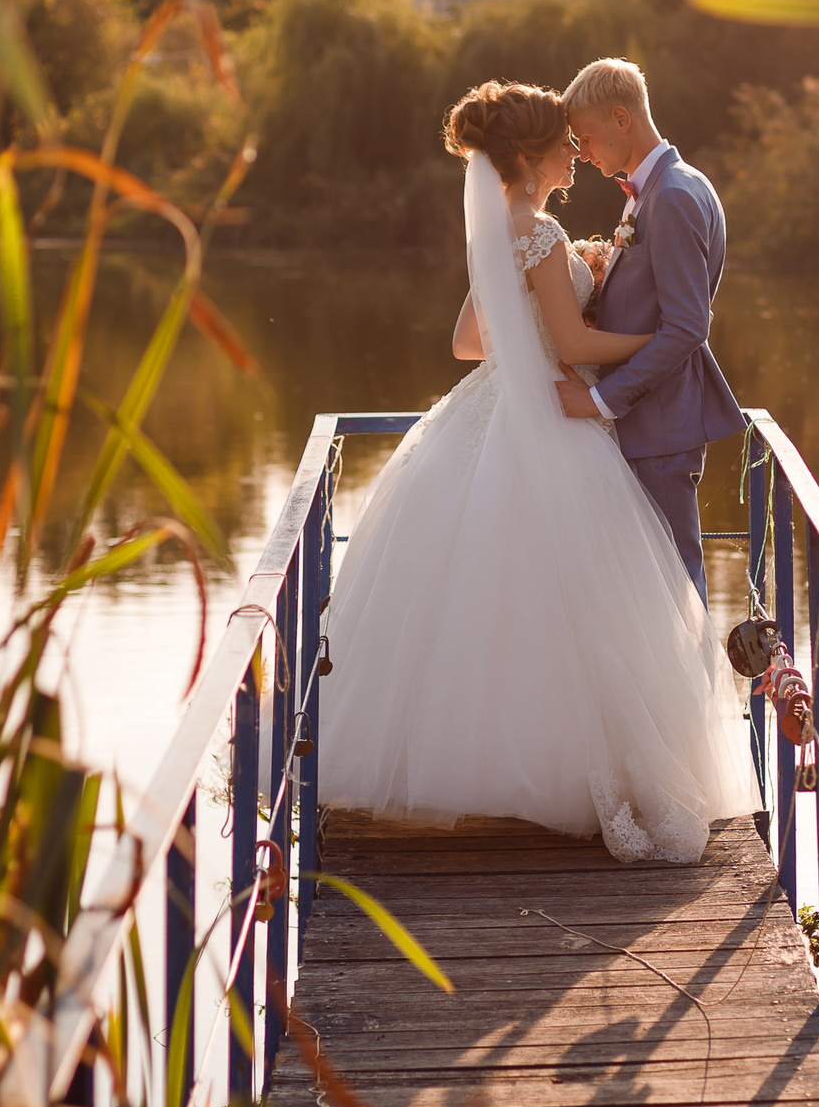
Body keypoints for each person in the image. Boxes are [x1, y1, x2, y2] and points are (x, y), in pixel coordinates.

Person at [315, 81, 757, 863]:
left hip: (484, 414)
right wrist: (645, 332)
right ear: (529, 156)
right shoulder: (542, 234)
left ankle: (468, 771)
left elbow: (466, 341)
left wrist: (546, 322)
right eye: (563, 140)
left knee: (479, 595)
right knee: (578, 601)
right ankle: (573, 776)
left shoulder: (504, 231)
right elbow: (579, 349)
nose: (575, 151)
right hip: (554, 418)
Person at [555, 58, 747, 601]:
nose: (584, 153)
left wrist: (600, 398)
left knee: (675, 587)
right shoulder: (656, 190)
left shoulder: (675, 196)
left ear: (622, 118)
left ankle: (695, 690)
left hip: (659, 426)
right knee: (647, 590)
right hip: (648, 423)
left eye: (586, 138)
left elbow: (687, 328)